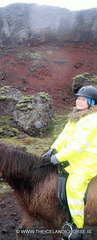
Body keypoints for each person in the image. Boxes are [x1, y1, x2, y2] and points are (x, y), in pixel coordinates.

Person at [44, 85, 97, 240]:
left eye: (83, 99)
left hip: (88, 160)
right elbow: (64, 136)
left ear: (91, 102)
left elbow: (78, 145)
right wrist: (53, 149)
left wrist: (58, 158)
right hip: (75, 157)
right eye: (78, 98)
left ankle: (77, 228)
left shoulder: (92, 120)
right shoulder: (77, 116)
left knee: (74, 187)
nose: (79, 101)